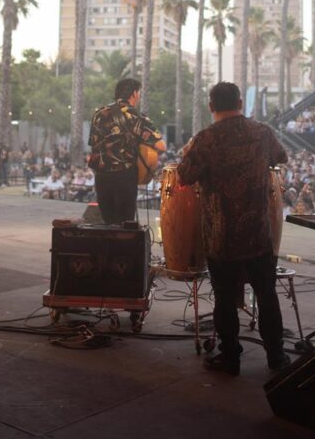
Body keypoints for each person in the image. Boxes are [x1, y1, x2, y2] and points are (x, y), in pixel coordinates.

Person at [177, 82, 289, 375]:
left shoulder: (206, 139)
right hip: (257, 233)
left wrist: (189, 149)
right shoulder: (261, 132)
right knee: (266, 294)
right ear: (240, 102)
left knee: (225, 298)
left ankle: (231, 358)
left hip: (221, 235)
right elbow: (281, 157)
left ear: (211, 107)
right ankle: (276, 356)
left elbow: (185, 176)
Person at [87, 78, 166, 225]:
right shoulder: (136, 116)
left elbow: (94, 144)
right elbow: (161, 146)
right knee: (125, 225)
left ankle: (109, 248)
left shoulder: (98, 114)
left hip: (102, 176)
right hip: (124, 176)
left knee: (108, 223)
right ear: (134, 93)